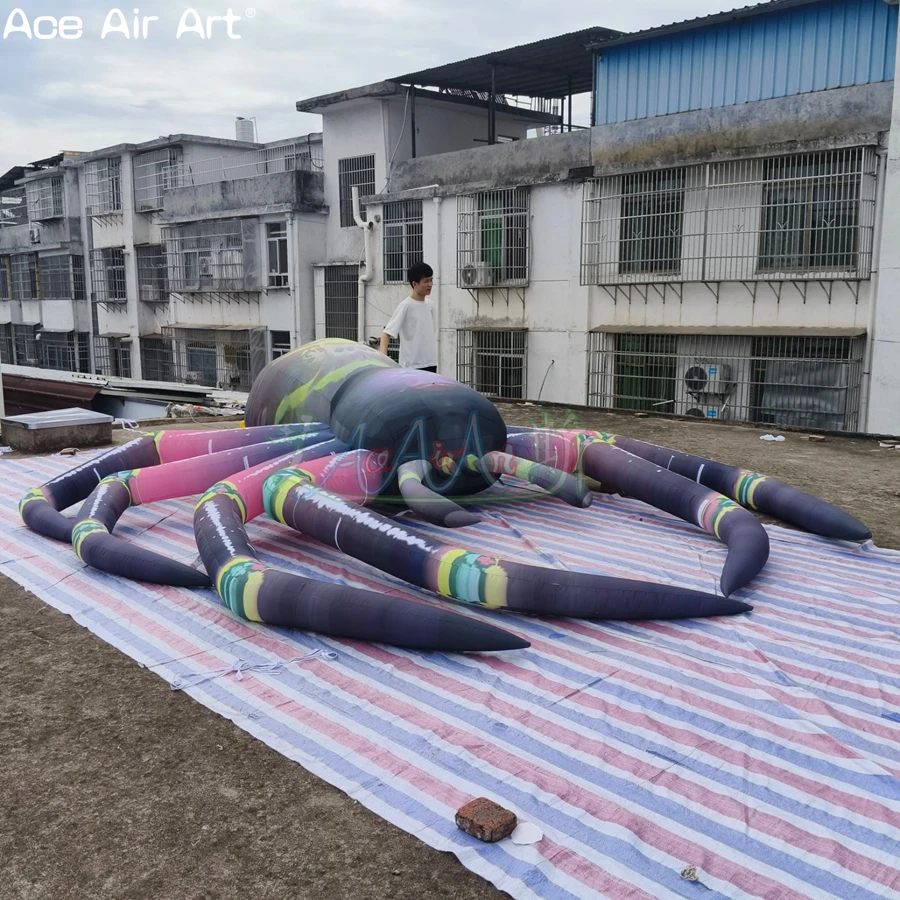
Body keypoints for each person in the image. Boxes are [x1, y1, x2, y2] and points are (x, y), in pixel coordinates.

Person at [379, 262, 438, 372]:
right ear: (415, 284)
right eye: (426, 281)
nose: (430, 284)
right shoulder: (406, 306)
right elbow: (386, 333)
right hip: (411, 366)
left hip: (431, 363)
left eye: (431, 280)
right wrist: (383, 359)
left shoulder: (431, 305)